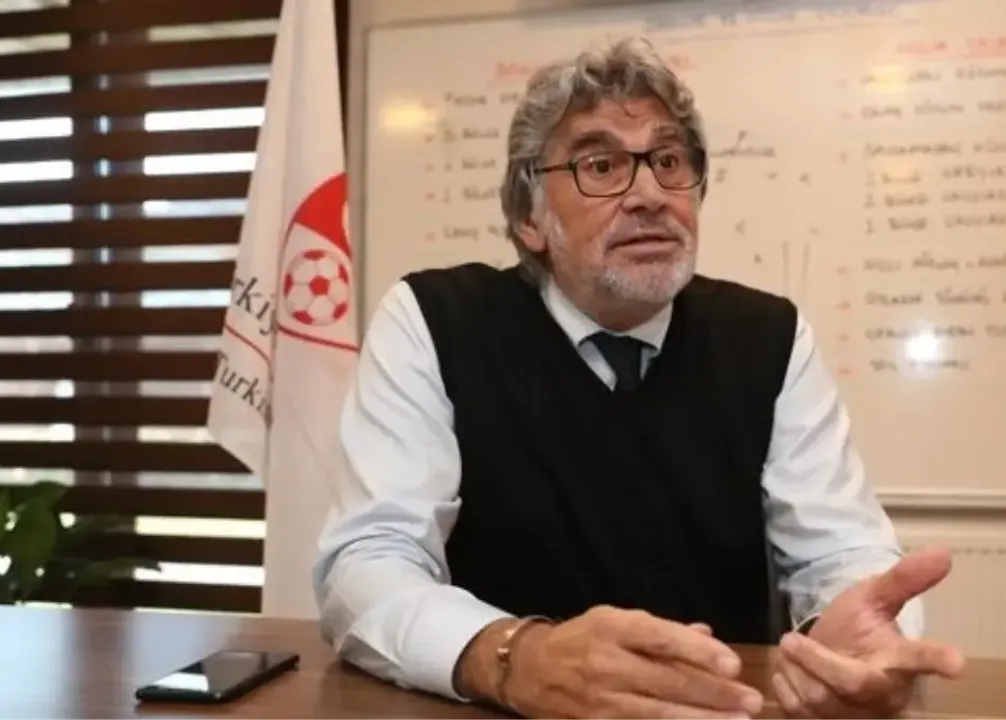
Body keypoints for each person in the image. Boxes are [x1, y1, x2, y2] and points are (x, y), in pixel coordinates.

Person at [314, 36, 964, 719]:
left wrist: (858, 643)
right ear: (530, 218)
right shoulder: (435, 322)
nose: (650, 194)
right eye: (601, 165)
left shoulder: (769, 338)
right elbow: (368, 561)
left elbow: (841, 551)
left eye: (669, 160)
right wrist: (513, 657)